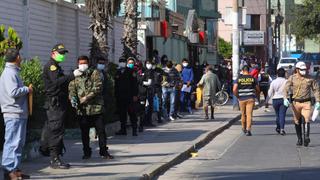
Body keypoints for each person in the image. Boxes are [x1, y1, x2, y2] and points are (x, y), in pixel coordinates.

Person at [40, 44, 82, 169]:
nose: (63, 56)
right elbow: (57, 82)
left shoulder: (56, 67)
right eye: (61, 53)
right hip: (55, 104)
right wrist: (72, 75)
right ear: (53, 53)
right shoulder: (51, 66)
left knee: (54, 129)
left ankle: (49, 151)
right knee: (56, 130)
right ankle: (54, 159)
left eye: (64, 53)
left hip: (58, 103)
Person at [68, 56, 113, 160]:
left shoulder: (95, 73)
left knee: (101, 131)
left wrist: (86, 98)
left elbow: (98, 87)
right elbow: (71, 89)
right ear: (77, 64)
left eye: (84, 63)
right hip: (82, 110)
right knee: (84, 133)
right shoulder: (75, 76)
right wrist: (73, 99)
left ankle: (103, 151)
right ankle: (86, 152)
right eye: (80, 63)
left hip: (96, 108)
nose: (82, 65)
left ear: (88, 63)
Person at [0, 48, 32, 179]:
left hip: (18, 113)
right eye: (20, 56)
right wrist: (27, 89)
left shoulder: (13, 72)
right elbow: (13, 92)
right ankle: (8, 171)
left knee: (18, 142)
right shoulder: (9, 73)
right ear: (17, 57)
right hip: (13, 113)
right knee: (12, 142)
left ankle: (15, 168)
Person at [283, 61, 320, 146]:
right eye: (302, 69)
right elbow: (286, 88)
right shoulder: (292, 78)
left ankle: (306, 137)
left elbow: (316, 90)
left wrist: (318, 101)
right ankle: (299, 139)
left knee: (307, 119)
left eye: (305, 69)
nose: (304, 71)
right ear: (297, 69)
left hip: (306, 102)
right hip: (296, 103)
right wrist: (285, 98)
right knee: (297, 121)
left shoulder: (310, 78)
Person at [114, 57, 139, 136]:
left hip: (130, 96)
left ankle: (134, 129)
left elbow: (135, 84)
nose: (122, 63)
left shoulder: (131, 71)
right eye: (120, 61)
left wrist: (135, 95)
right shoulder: (117, 72)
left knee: (132, 113)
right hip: (120, 97)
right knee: (122, 114)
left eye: (123, 61)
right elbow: (116, 85)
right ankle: (123, 129)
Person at [233, 65, 260, 136]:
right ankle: (248, 130)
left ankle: (243, 128)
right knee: (249, 114)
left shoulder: (238, 79)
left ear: (242, 70)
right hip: (250, 98)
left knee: (243, 114)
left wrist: (237, 96)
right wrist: (255, 95)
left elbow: (234, 89)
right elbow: (258, 89)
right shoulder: (253, 78)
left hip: (241, 99)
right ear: (249, 70)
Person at [266, 68, 288, 135]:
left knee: (277, 115)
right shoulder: (286, 81)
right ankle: (282, 129)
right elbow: (290, 91)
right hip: (284, 99)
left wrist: (266, 101)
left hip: (275, 100)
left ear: (277, 74)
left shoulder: (273, 82)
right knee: (282, 115)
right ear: (284, 74)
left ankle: (278, 127)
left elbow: (270, 92)